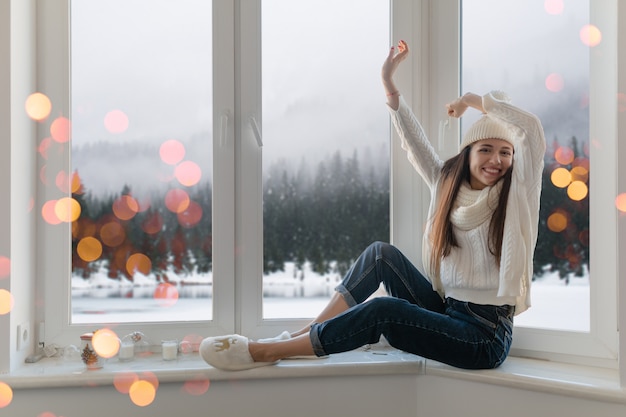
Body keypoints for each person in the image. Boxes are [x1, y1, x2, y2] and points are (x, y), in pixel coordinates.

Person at [199, 40, 546, 371]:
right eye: (486, 149)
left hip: (484, 337)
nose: (496, 160)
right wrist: (388, 83)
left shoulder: (516, 194)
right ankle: (305, 334)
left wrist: (472, 101)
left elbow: (530, 130)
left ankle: (268, 352)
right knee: (380, 255)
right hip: (448, 311)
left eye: (505, 152)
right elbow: (415, 143)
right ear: (468, 152)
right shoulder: (447, 184)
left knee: (383, 311)